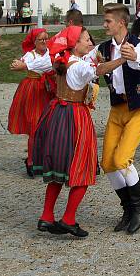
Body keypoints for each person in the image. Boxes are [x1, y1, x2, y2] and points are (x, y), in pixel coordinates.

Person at [31, 26, 98, 238]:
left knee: (58, 166)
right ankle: (69, 219)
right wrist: (121, 61)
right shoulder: (78, 65)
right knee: (83, 166)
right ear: (75, 44)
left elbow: (36, 64)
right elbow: (97, 70)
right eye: (87, 40)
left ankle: (47, 216)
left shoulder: (60, 59)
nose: (90, 43)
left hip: (56, 114)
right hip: (76, 116)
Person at [95, 3, 140, 234]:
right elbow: (97, 68)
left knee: (121, 159)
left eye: (108, 21)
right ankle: (128, 208)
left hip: (138, 108)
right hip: (117, 108)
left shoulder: (139, 45)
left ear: (121, 22)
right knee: (107, 163)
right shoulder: (104, 48)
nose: (104, 25)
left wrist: (134, 56)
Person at [9, 28, 54, 177]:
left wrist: (25, 66)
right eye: (40, 39)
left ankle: (46, 160)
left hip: (48, 89)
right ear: (34, 42)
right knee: (35, 126)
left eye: (46, 39)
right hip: (33, 90)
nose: (44, 42)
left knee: (49, 126)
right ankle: (31, 161)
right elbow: (18, 65)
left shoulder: (51, 53)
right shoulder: (30, 55)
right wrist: (20, 64)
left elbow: (49, 64)